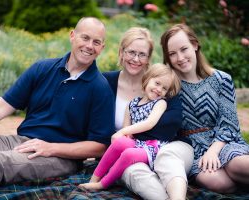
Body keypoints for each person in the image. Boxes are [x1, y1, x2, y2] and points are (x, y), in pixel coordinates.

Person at [0, 17, 115, 199]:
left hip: (60, 158)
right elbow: (2, 106)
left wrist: (52, 148)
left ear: (102, 48)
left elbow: (99, 147)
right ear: (72, 36)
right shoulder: (42, 68)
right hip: (21, 142)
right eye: (85, 38)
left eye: (96, 42)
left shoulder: (100, 88)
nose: (90, 45)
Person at [97, 27, 194, 200]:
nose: (135, 59)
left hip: (169, 147)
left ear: (149, 59)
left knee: (166, 158)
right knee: (133, 172)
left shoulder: (163, 86)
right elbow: (97, 126)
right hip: (129, 152)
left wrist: (126, 135)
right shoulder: (105, 82)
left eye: (142, 54)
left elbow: (169, 128)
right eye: (131, 52)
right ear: (121, 52)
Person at [160, 23, 249, 193]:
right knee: (221, 184)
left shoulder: (222, 79)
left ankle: (234, 171)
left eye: (184, 49)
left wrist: (214, 151)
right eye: (172, 53)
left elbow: (229, 124)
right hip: (192, 148)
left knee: (240, 166)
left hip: (223, 142)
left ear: (194, 45)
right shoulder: (169, 86)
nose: (180, 57)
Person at [79, 63, 181, 190]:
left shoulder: (160, 103)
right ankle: (94, 179)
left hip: (152, 147)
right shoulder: (132, 104)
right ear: (147, 79)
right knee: (119, 143)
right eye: (157, 83)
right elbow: (128, 133)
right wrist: (123, 135)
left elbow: (149, 123)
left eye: (164, 88)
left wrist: (122, 132)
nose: (159, 89)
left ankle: (102, 184)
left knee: (128, 154)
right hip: (137, 142)